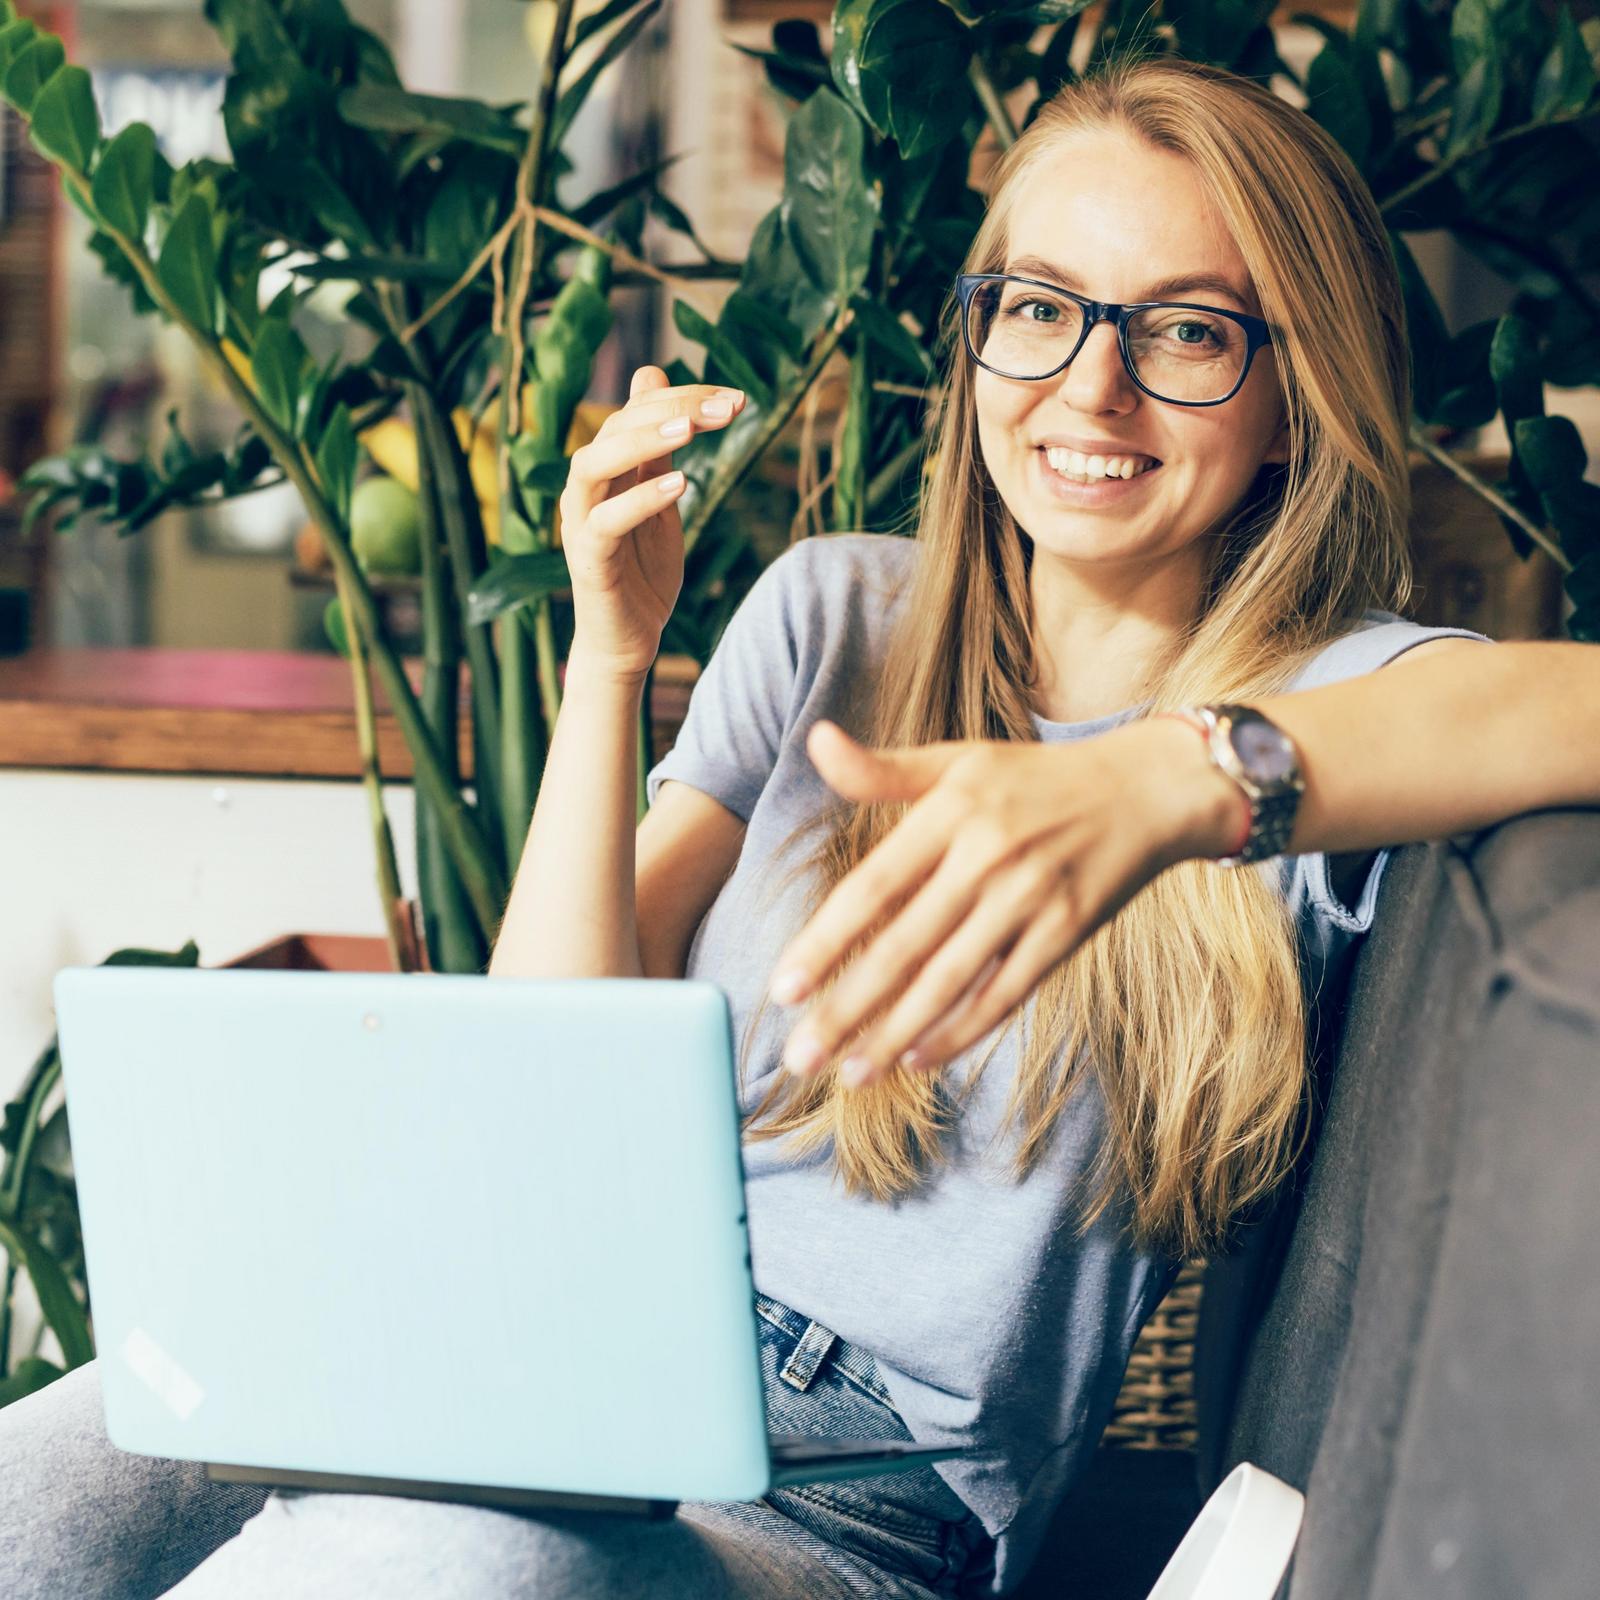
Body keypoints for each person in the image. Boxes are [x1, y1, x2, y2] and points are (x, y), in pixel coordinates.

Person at [5, 52, 1597, 1600]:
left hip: (863, 1499)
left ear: (1291, 390)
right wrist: (607, 656)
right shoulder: (837, 609)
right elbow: (549, 1062)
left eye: (1185, 331)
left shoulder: (1332, 710)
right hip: (550, 1334)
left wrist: (1171, 778)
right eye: (1037, 310)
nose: (1087, 386)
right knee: (50, 1487)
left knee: (415, 1559)